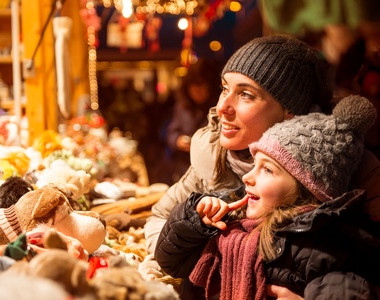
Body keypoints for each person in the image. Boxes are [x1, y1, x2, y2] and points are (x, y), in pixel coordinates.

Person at [144, 35, 380, 256]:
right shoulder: (213, 155)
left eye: (246, 94)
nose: (222, 107)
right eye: (225, 88)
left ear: (290, 112)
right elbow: (160, 217)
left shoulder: (350, 166)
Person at [155, 95, 380, 299]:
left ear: (307, 189)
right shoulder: (233, 223)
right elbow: (171, 263)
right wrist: (195, 221)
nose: (248, 178)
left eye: (267, 170)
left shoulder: (326, 250)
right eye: (255, 165)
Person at [159, 59, 222, 185]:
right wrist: (178, 141)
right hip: (184, 167)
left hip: (212, 169)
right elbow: (171, 132)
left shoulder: (219, 108)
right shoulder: (182, 106)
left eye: (202, 85)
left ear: (210, 86)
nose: (197, 91)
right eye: (193, 86)